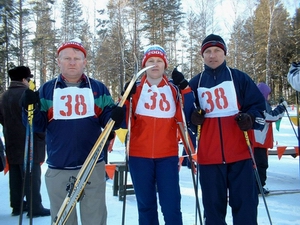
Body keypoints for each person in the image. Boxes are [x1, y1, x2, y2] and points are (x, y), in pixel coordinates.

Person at [21, 39, 124, 225]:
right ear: (58, 61)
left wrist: (118, 115)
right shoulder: (47, 90)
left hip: (92, 166)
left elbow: (109, 121)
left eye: (77, 58)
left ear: (84, 61)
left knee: (94, 218)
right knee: (63, 220)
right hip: (59, 166)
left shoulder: (97, 88)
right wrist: (28, 108)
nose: (72, 62)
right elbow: (37, 125)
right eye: (67, 57)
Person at [188, 34, 266, 225]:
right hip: (209, 157)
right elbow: (184, 118)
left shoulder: (239, 78)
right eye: (207, 51)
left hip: (240, 154)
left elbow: (259, 109)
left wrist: (249, 119)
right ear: (202, 55)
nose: (212, 55)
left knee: (246, 207)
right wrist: (193, 119)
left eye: (217, 51)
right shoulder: (195, 83)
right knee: (213, 210)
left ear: (224, 53)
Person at [122, 44, 194, 225]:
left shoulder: (173, 90)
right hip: (139, 156)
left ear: (165, 65)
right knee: (146, 206)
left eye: (159, 61)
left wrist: (185, 87)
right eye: (150, 61)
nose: (155, 65)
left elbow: (189, 115)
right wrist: (124, 98)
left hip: (167, 156)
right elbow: (123, 120)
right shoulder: (136, 89)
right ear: (145, 64)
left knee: (171, 205)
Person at [0, 66, 50, 217]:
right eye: (28, 79)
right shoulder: (28, 95)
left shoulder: (4, 96)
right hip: (29, 140)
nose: (29, 82)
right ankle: (35, 206)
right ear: (24, 79)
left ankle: (17, 205)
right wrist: (42, 136)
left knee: (15, 173)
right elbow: (38, 118)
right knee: (32, 174)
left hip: (11, 140)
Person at [253, 82, 287, 195]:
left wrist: (280, 108)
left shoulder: (255, 101)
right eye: (269, 94)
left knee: (256, 164)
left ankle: (255, 186)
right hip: (258, 140)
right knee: (260, 164)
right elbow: (270, 116)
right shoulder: (260, 103)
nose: (269, 96)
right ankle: (258, 187)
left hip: (257, 140)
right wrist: (282, 108)